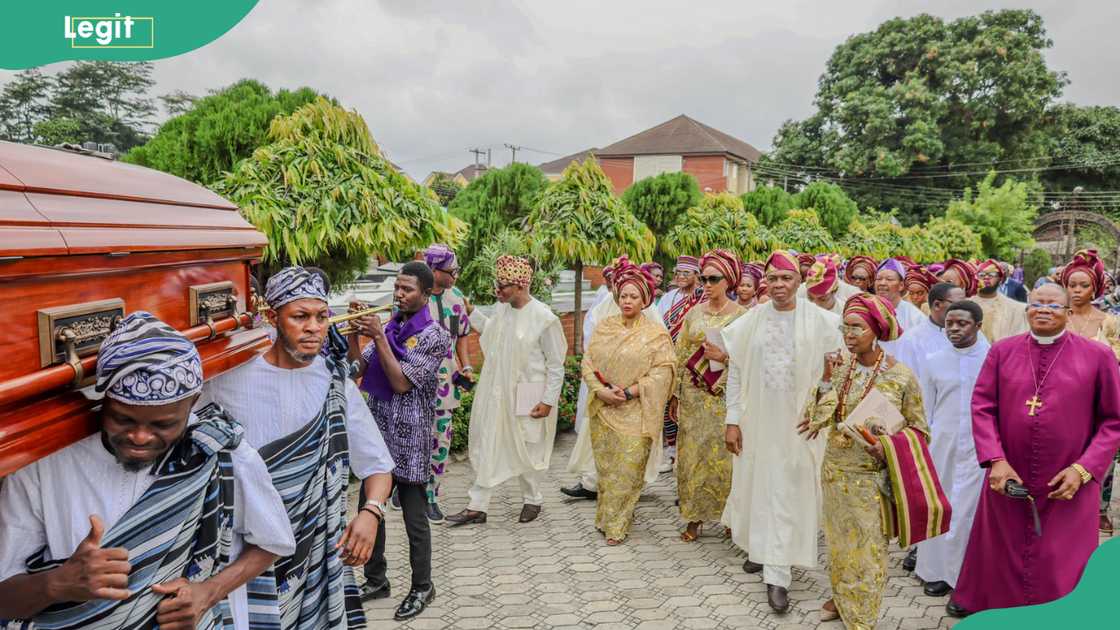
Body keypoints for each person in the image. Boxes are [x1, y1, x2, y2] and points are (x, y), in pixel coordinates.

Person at [0, 312, 295, 629]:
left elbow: (273, 541)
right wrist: (58, 583)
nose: (140, 437)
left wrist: (208, 592)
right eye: (123, 419)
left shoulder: (219, 452)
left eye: (163, 424)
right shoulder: (43, 466)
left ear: (193, 403)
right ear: (105, 400)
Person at [199, 266, 395, 628]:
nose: (314, 328)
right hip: (245, 555)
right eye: (300, 316)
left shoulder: (334, 383)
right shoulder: (227, 379)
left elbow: (378, 466)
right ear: (273, 317)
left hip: (318, 553)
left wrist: (371, 513)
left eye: (322, 317)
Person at [947, 283, 1120, 617]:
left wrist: (1083, 469)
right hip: (1008, 477)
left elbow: (1113, 420)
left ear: (1068, 313)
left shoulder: (1097, 356)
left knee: (1061, 559)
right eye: (1036, 303)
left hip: (1068, 482)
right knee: (1002, 553)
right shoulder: (1002, 351)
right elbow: (982, 406)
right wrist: (995, 460)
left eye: (1053, 305)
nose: (1043, 309)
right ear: (1026, 310)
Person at [722, 251, 843, 613]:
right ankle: (775, 571)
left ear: (799, 282)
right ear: (765, 282)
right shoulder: (751, 321)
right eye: (772, 278)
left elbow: (835, 376)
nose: (779, 286)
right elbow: (737, 373)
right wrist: (731, 420)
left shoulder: (823, 322)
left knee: (792, 491)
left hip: (802, 428)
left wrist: (822, 413)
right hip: (758, 423)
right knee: (764, 489)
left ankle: (776, 562)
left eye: (786, 279)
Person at [799, 294, 929, 627]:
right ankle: (841, 598)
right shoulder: (842, 367)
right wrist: (825, 380)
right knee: (839, 544)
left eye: (857, 327)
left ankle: (862, 618)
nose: (849, 334)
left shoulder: (901, 377)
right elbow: (823, 410)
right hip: (834, 472)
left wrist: (887, 446)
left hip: (870, 478)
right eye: (846, 327)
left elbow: (920, 431)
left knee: (869, 549)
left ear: (876, 329)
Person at [348, 262, 450, 620]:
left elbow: (402, 382)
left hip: (410, 439)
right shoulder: (392, 326)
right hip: (378, 437)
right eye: (397, 287)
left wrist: (377, 336)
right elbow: (357, 369)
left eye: (407, 289)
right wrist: (353, 334)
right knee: (368, 511)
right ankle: (376, 580)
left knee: (414, 520)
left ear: (425, 294)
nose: (399, 294)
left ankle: (423, 586)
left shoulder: (434, 335)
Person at [446, 255, 567, 526]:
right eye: (496, 284)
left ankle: (532, 499)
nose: (496, 291)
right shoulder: (502, 310)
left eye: (502, 286)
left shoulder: (544, 318)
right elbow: (492, 335)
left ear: (521, 285)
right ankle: (477, 506)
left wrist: (548, 401)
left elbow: (556, 365)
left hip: (529, 392)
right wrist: (471, 312)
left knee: (527, 448)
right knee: (489, 442)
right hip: (497, 391)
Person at [581, 262, 676, 544]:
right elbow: (588, 362)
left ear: (645, 300)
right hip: (606, 409)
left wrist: (633, 391)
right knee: (609, 472)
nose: (627, 301)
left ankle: (617, 525)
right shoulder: (605, 327)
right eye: (623, 295)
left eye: (634, 296)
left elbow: (664, 371)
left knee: (629, 471)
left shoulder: (655, 334)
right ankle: (607, 517)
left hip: (638, 412)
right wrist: (600, 391)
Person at [564, 257, 667, 500]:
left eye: (631, 292)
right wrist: (602, 384)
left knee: (632, 444)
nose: (625, 297)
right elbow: (591, 348)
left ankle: (631, 484)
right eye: (615, 284)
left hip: (635, 393)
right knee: (596, 438)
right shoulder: (602, 309)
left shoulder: (649, 312)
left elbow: (660, 353)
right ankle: (591, 483)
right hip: (604, 388)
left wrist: (633, 386)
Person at [915, 300, 991, 598]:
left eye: (963, 324)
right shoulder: (933, 360)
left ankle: (965, 574)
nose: (955, 329)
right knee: (941, 506)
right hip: (942, 443)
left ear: (978, 326)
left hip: (978, 445)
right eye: (949, 324)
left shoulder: (992, 357)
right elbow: (925, 408)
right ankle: (935, 571)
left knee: (969, 510)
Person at [672, 250, 747, 543]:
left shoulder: (743, 317)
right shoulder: (693, 314)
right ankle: (693, 517)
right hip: (694, 397)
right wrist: (675, 394)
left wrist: (726, 357)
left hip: (725, 398)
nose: (707, 284)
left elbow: (751, 359)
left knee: (725, 459)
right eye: (704, 279)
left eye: (714, 279)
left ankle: (730, 518)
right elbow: (679, 355)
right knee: (692, 457)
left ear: (729, 280)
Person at [1060, 249, 1120, 534]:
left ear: (1094, 287)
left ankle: (1099, 509)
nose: (1077, 290)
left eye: (1083, 285)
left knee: (1101, 456)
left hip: (1097, 401)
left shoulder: (1108, 322)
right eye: (1072, 285)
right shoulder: (1056, 317)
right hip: (1057, 400)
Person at [419, 244, 474, 523]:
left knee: (442, 439)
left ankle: (431, 494)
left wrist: (465, 366)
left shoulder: (456, 298)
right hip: (415, 384)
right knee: (413, 438)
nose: (455, 275)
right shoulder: (413, 297)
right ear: (433, 270)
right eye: (451, 271)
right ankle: (406, 486)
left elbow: (462, 335)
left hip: (446, 385)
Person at [892, 283, 967, 385]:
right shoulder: (911, 340)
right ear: (937, 305)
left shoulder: (972, 334)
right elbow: (903, 381)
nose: (965, 309)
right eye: (958, 304)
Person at [973, 259, 1029, 343]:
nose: (986, 277)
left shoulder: (1015, 308)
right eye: (982, 274)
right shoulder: (967, 303)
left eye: (992, 274)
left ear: (1000, 280)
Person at [657, 256, 700, 320]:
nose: (681, 276)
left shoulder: (701, 296)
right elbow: (658, 322)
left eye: (686, 273)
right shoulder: (667, 297)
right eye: (678, 272)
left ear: (696, 275)